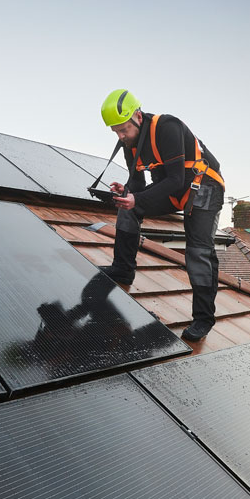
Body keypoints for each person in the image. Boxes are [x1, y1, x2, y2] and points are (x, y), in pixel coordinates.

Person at [98, 89, 225, 342]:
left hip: (204, 188)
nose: (121, 136)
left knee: (198, 251)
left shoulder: (167, 126)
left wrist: (138, 197)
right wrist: (127, 192)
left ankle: (203, 319)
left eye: (124, 130)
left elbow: (177, 179)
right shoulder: (129, 143)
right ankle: (123, 269)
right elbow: (137, 183)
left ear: (138, 116)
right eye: (116, 132)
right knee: (127, 208)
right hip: (173, 190)